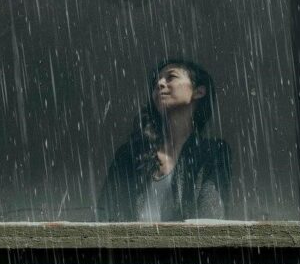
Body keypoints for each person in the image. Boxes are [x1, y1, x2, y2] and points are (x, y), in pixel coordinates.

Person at [97, 59, 232, 222]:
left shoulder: (213, 152)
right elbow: (103, 215)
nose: (159, 84)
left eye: (171, 77)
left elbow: (210, 218)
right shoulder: (130, 154)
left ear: (199, 92)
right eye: (156, 81)